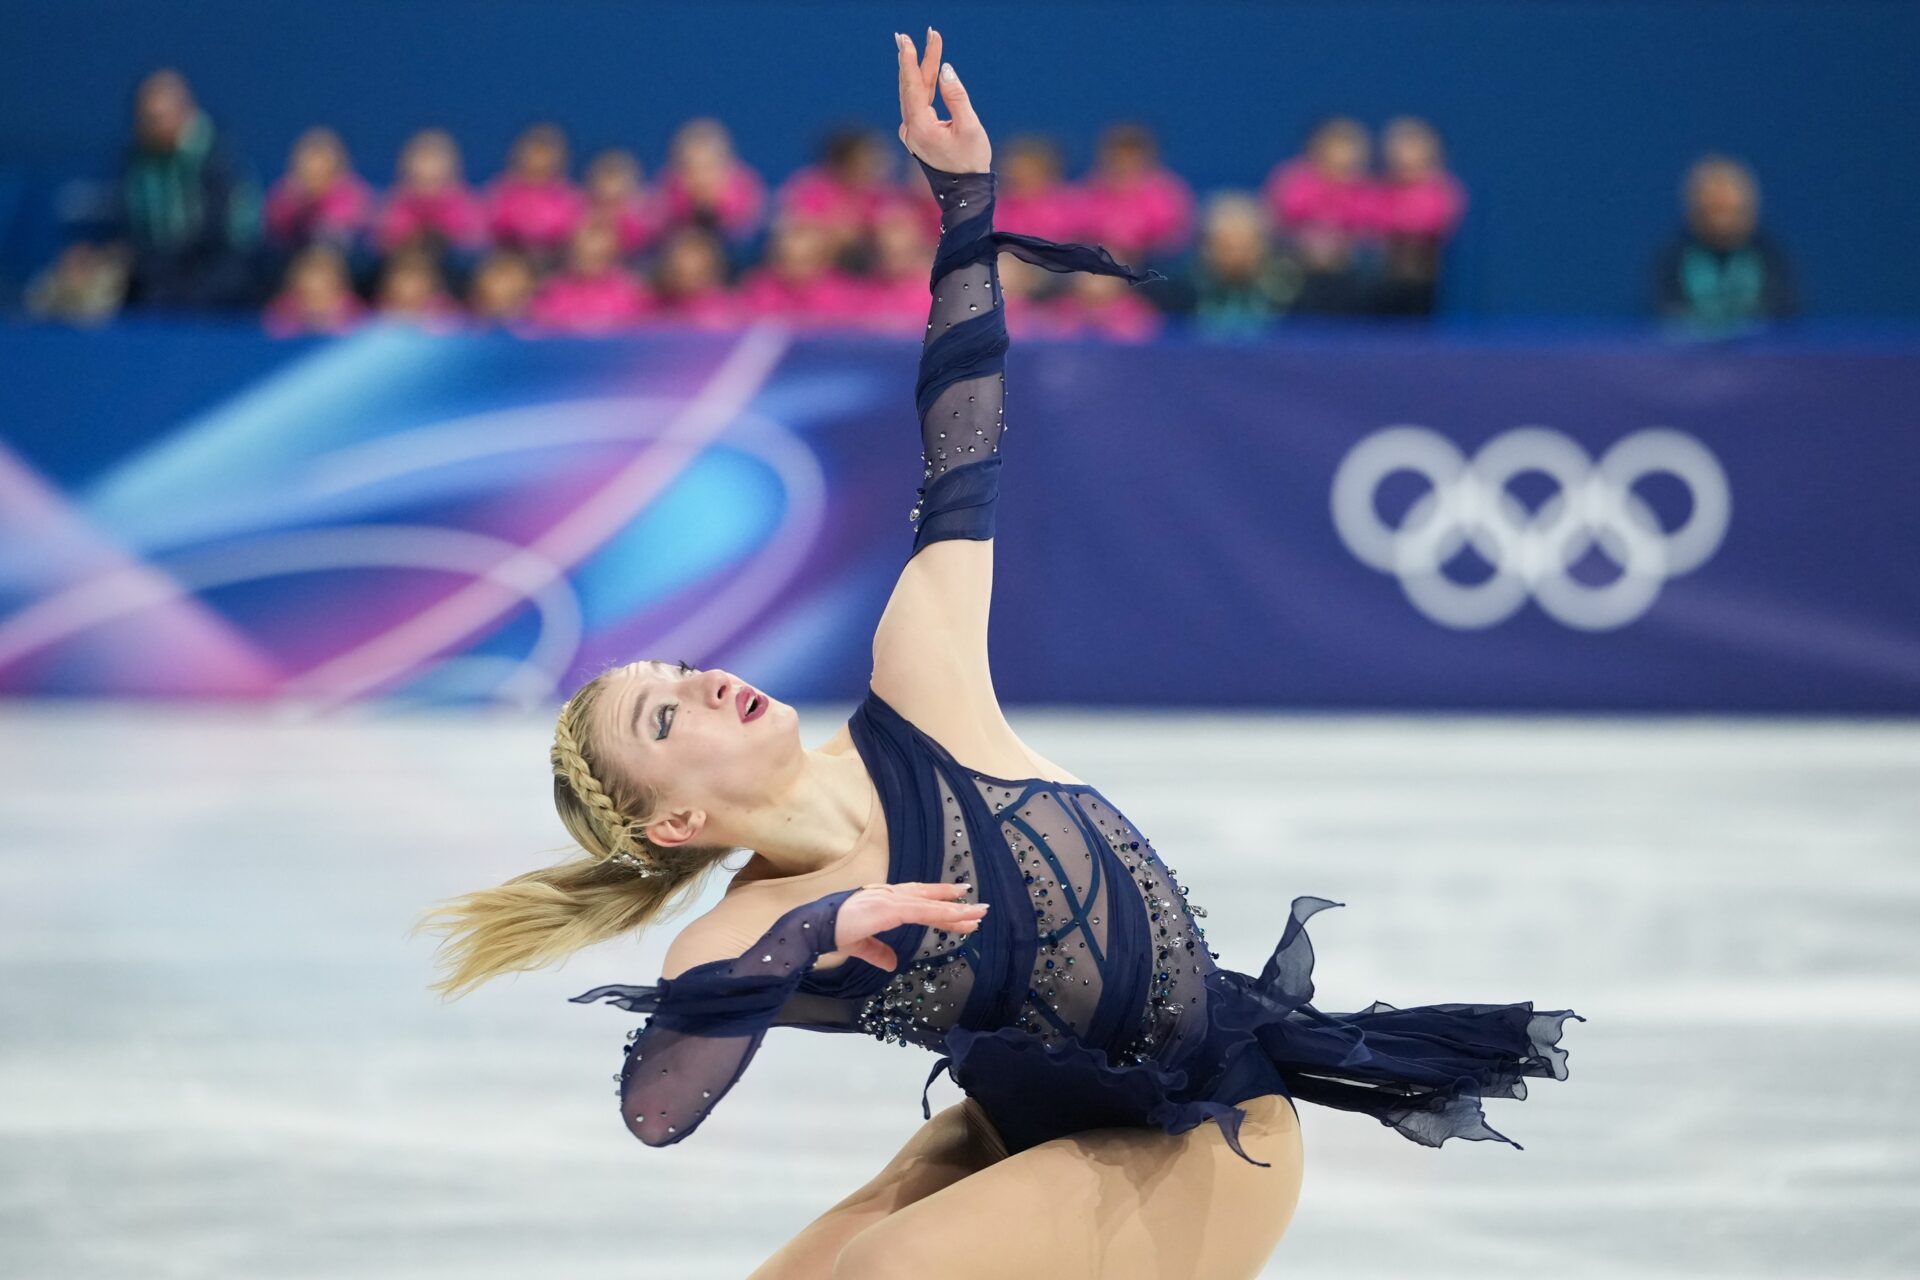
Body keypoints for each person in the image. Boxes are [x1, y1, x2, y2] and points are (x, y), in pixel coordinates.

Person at [416, 32, 1582, 1279]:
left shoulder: (921, 684)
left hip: (1206, 1132)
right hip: (1026, 1139)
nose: (700, 679)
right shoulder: (741, 928)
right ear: (678, 819)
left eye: (674, 669)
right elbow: (660, 1100)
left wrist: (966, 205)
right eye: (661, 720)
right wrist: (821, 922)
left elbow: (959, 447)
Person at [114, 68, 263, 310]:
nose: (153, 127)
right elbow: (136, 226)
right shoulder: (137, 162)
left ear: (184, 111)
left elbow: (224, 230)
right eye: (147, 119)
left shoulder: (219, 156)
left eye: (160, 118)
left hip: (216, 263)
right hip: (162, 269)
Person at [1653, 154, 1798, 334]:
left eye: (1731, 210)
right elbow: (1664, 317)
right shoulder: (1673, 259)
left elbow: (1785, 316)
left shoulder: (1772, 259)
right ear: (1695, 210)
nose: (1722, 221)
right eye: (1714, 210)